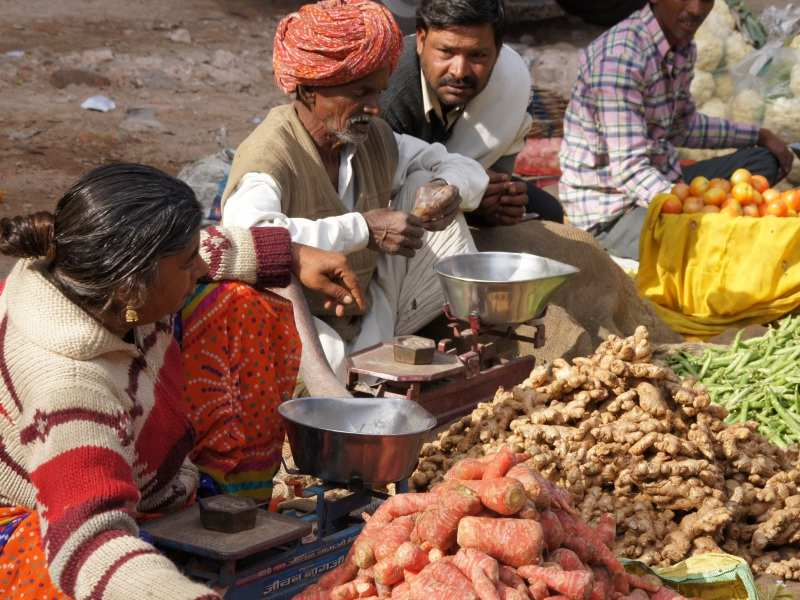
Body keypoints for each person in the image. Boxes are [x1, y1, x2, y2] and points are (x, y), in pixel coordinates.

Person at [0, 163, 363, 599]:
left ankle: (233, 501)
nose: (200, 265)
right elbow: (89, 542)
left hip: (148, 471)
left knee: (241, 303)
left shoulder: (98, 277)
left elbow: (210, 250)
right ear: (133, 289)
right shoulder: (68, 387)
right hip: (52, 517)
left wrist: (291, 255)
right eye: (188, 261)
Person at [221, 0, 489, 378]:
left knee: (427, 189)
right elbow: (248, 240)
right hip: (302, 321)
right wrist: (363, 229)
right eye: (361, 93)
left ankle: (457, 356)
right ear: (312, 89)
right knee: (327, 366)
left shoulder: (372, 138)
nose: (375, 108)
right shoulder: (270, 153)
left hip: (370, 311)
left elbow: (461, 166)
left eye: (378, 93)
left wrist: (447, 187)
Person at [559, 0, 795, 260]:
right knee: (713, 247)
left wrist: (760, 135)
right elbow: (630, 171)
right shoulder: (621, 59)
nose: (695, 9)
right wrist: (699, 210)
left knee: (762, 161)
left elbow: (683, 126)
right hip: (613, 212)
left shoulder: (681, 46)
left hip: (663, 180)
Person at [380, 0, 565, 225]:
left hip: (465, 186)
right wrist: (466, 195)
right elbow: (377, 194)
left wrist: (499, 199)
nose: (459, 71)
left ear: (497, 52)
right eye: (446, 52)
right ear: (421, 40)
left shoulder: (510, 83)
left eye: (477, 56)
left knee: (549, 212)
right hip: (399, 201)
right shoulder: (389, 89)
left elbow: (495, 175)